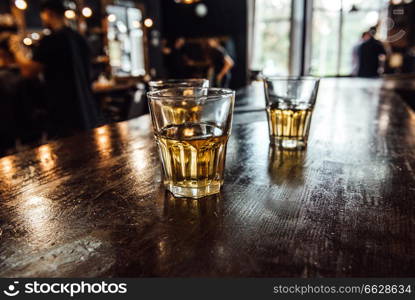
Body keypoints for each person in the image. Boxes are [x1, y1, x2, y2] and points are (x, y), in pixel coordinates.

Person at [10, 0, 99, 138]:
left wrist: (16, 50)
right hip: (87, 109)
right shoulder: (80, 38)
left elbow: (28, 72)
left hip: (63, 111)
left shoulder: (51, 40)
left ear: (48, 14)